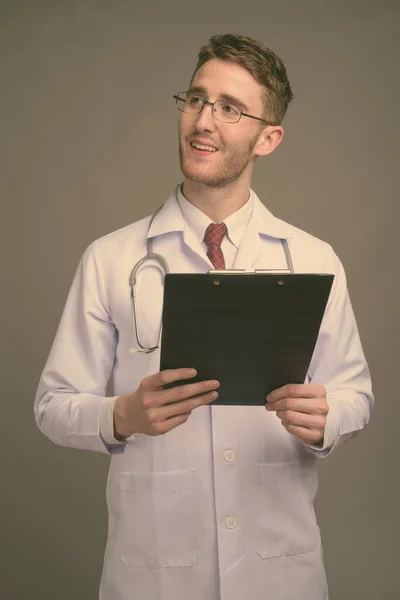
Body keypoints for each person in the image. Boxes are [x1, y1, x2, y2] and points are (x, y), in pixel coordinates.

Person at [34, 33, 373, 600]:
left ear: (268, 138)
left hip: (278, 572)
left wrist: (326, 418)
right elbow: (52, 405)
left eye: (229, 109)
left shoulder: (313, 260)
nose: (203, 121)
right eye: (196, 100)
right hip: (157, 574)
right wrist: (121, 414)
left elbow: (355, 394)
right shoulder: (111, 258)